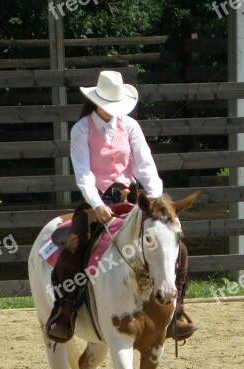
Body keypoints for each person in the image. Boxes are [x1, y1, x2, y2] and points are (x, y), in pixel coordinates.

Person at [46, 70, 198, 343]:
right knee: (74, 246)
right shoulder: (81, 129)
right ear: (97, 101)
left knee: (177, 247)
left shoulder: (129, 127)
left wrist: (157, 202)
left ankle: (175, 311)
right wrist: (96, 203)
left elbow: (145, 165)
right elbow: (83, 173)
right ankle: (65, 310)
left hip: (133, 200)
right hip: (96, 200)